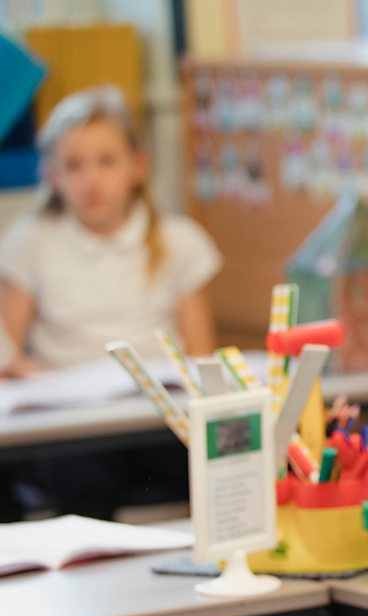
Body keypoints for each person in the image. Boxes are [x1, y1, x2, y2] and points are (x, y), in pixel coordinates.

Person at [0, 86, 221, 519]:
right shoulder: (30, 242)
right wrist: (49, 382)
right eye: (74, 165)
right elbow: (10, 352)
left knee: (212, 465)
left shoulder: (179, 242)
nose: (91, 180)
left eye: (106, 162)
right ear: (52, 175)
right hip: (72, 425)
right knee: (82, 478)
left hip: (158, 420)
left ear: (138, 166)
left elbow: (201, 355)